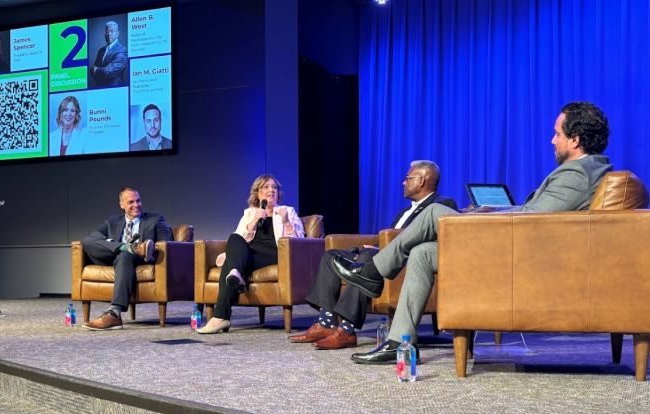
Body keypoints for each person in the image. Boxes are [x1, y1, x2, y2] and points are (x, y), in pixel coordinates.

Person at [333, 101, 612, 364]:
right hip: (517, 243)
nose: (553, 140)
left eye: (557, 134)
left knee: (432, 212)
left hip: (520, 253)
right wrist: (490, 210)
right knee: (423, 253)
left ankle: (371, 273)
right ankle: (400, 342)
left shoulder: (577, 174)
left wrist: (489, 217)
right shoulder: (587, 170)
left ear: (575, 140)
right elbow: (537, 214)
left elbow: (534, 221)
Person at [289, 160, 457, 350]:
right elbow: (389, 236)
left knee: (366, 259)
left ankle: (346, 330)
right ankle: (326, 322)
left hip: (406, 263)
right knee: (331, 256)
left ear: (422, 180)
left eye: (408, 178)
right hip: (384, 253)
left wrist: (380, 249)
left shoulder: (443, 204)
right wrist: (375, 245)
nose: (403, 182)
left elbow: (424, 237)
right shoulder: (405, 211)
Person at [197, 174, 305, 334]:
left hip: (274, 254)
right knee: (234, 238)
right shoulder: (250, 213)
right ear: (257, 193)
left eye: (274, 187)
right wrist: (254, 221)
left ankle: (221, 316)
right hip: (251, 253)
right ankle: (235, 271)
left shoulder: (287, 211)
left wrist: (286, 222)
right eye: (266, 187)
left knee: (230, 264)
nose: (271, 190)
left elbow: (299, 241)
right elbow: (239, 238)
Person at [81, 187, 173, 330]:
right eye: (131, 202)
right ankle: (127, 247)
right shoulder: (112, 221)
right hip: (112, 257)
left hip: (140, 258)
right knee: (87, 241)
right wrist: (117, 245)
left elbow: (168, 245)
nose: (136, 205)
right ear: (121, 204)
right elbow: (93, 237)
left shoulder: (155, 220)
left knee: (124, 256)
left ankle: (114, 313)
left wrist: (147, 250)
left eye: (138, 201)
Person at [91, 21, 128, 87]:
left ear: (117, 34)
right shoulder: (101, 51)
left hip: (115, 91)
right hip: (99, 89)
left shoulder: (122, 50)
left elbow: (108, 72)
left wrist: (96, 69)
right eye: (107, 32)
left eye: (112, 31)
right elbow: (92, 71)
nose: (109, 34)